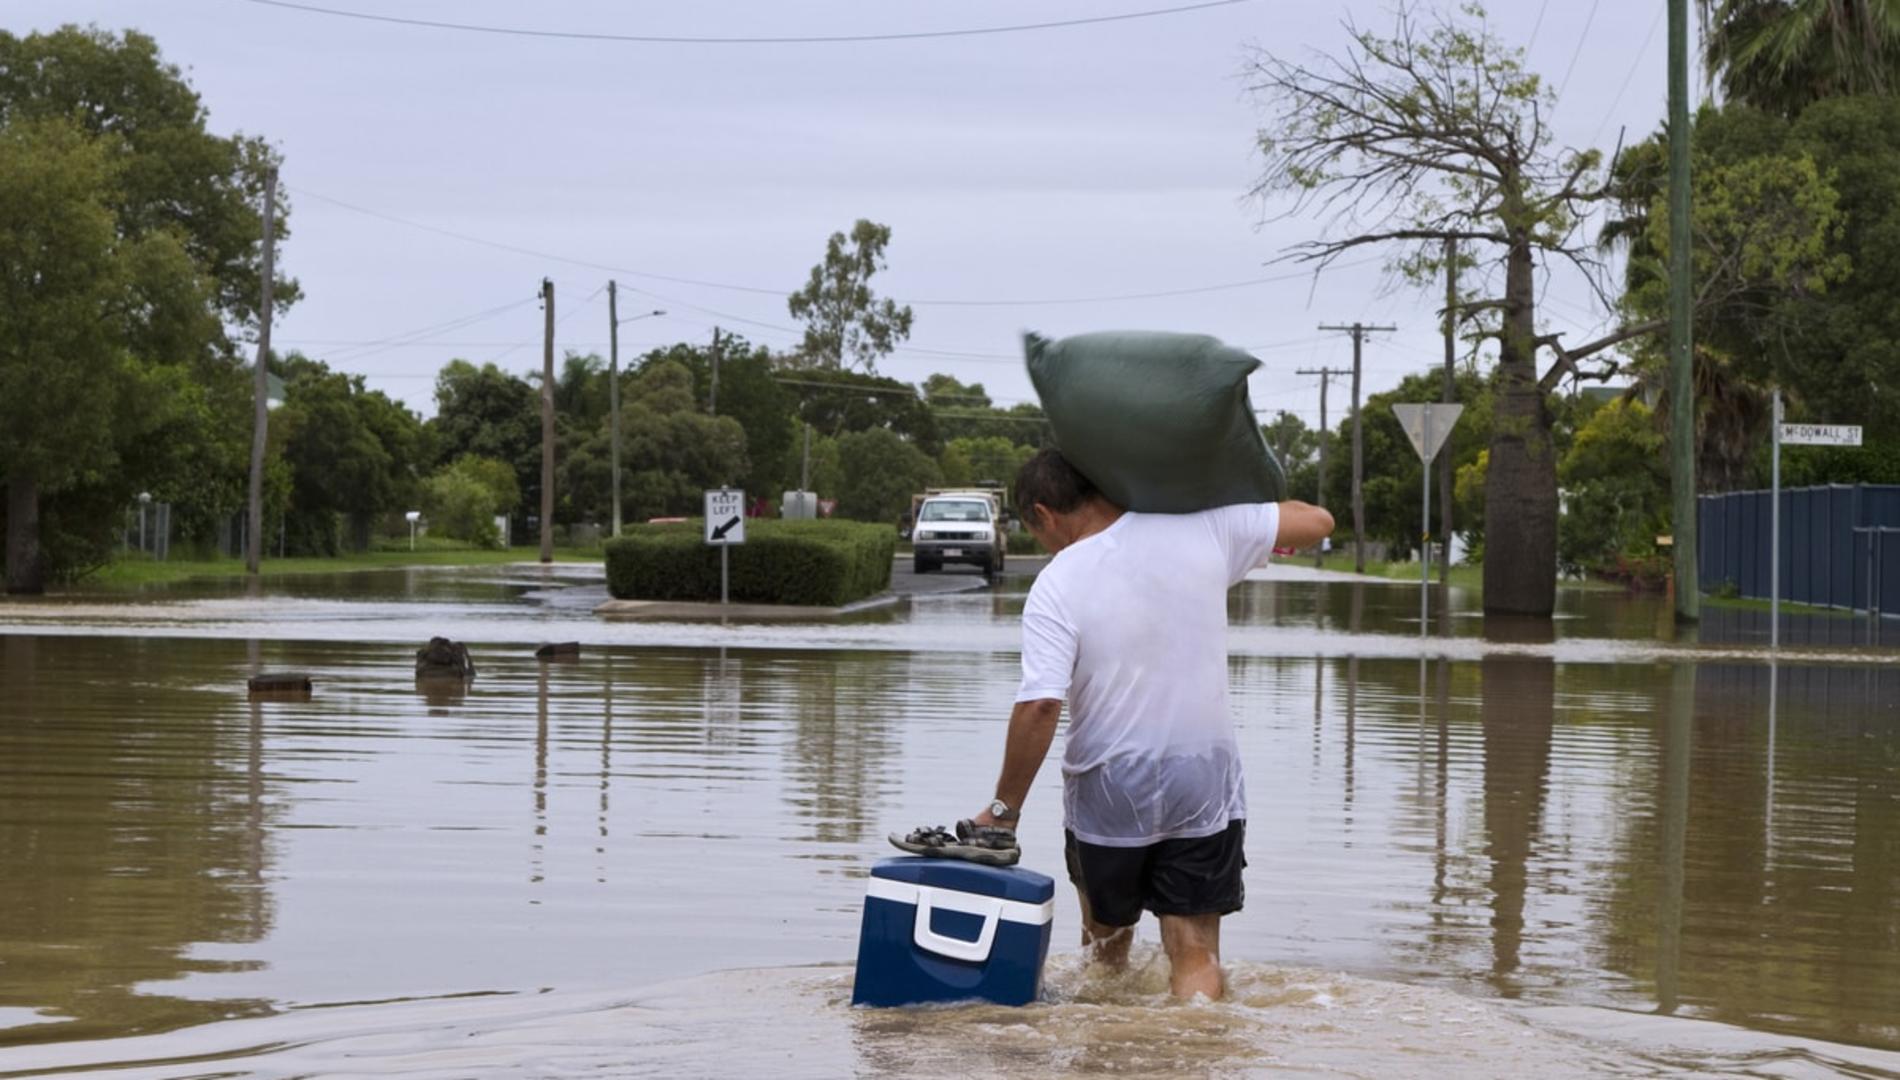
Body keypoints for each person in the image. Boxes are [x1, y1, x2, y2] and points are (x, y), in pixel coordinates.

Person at [968, 448, 1334, 999]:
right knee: (1195, 951)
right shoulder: (1205, 528)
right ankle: (1199, 1042)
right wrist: (1214, 496)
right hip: (1203, 781)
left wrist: (1003, 811)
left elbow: (1041, 705)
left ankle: (1108, 1050)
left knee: (1104, 949)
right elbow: (1317, 521)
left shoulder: (1058, 581)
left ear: (1044, 514)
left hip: (1108, 785)